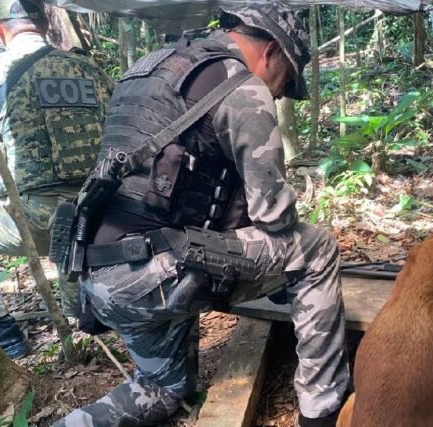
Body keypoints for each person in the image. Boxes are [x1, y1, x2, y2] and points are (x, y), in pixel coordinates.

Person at [54, 3, 349, 427]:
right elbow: (276, 218)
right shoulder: (242, 87)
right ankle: (320, 410)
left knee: (163, 388)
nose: (282, 93)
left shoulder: (149, 68)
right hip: (152, 276)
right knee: (316, 247)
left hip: (97, 277)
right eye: (286, 80)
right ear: (273, 52)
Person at [0, 0, 113, 359]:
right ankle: (80, 314)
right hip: (103, 215)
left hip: (35, 222)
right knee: (68, 212)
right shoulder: (91, 70)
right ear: (46, 21)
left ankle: (5, 336)